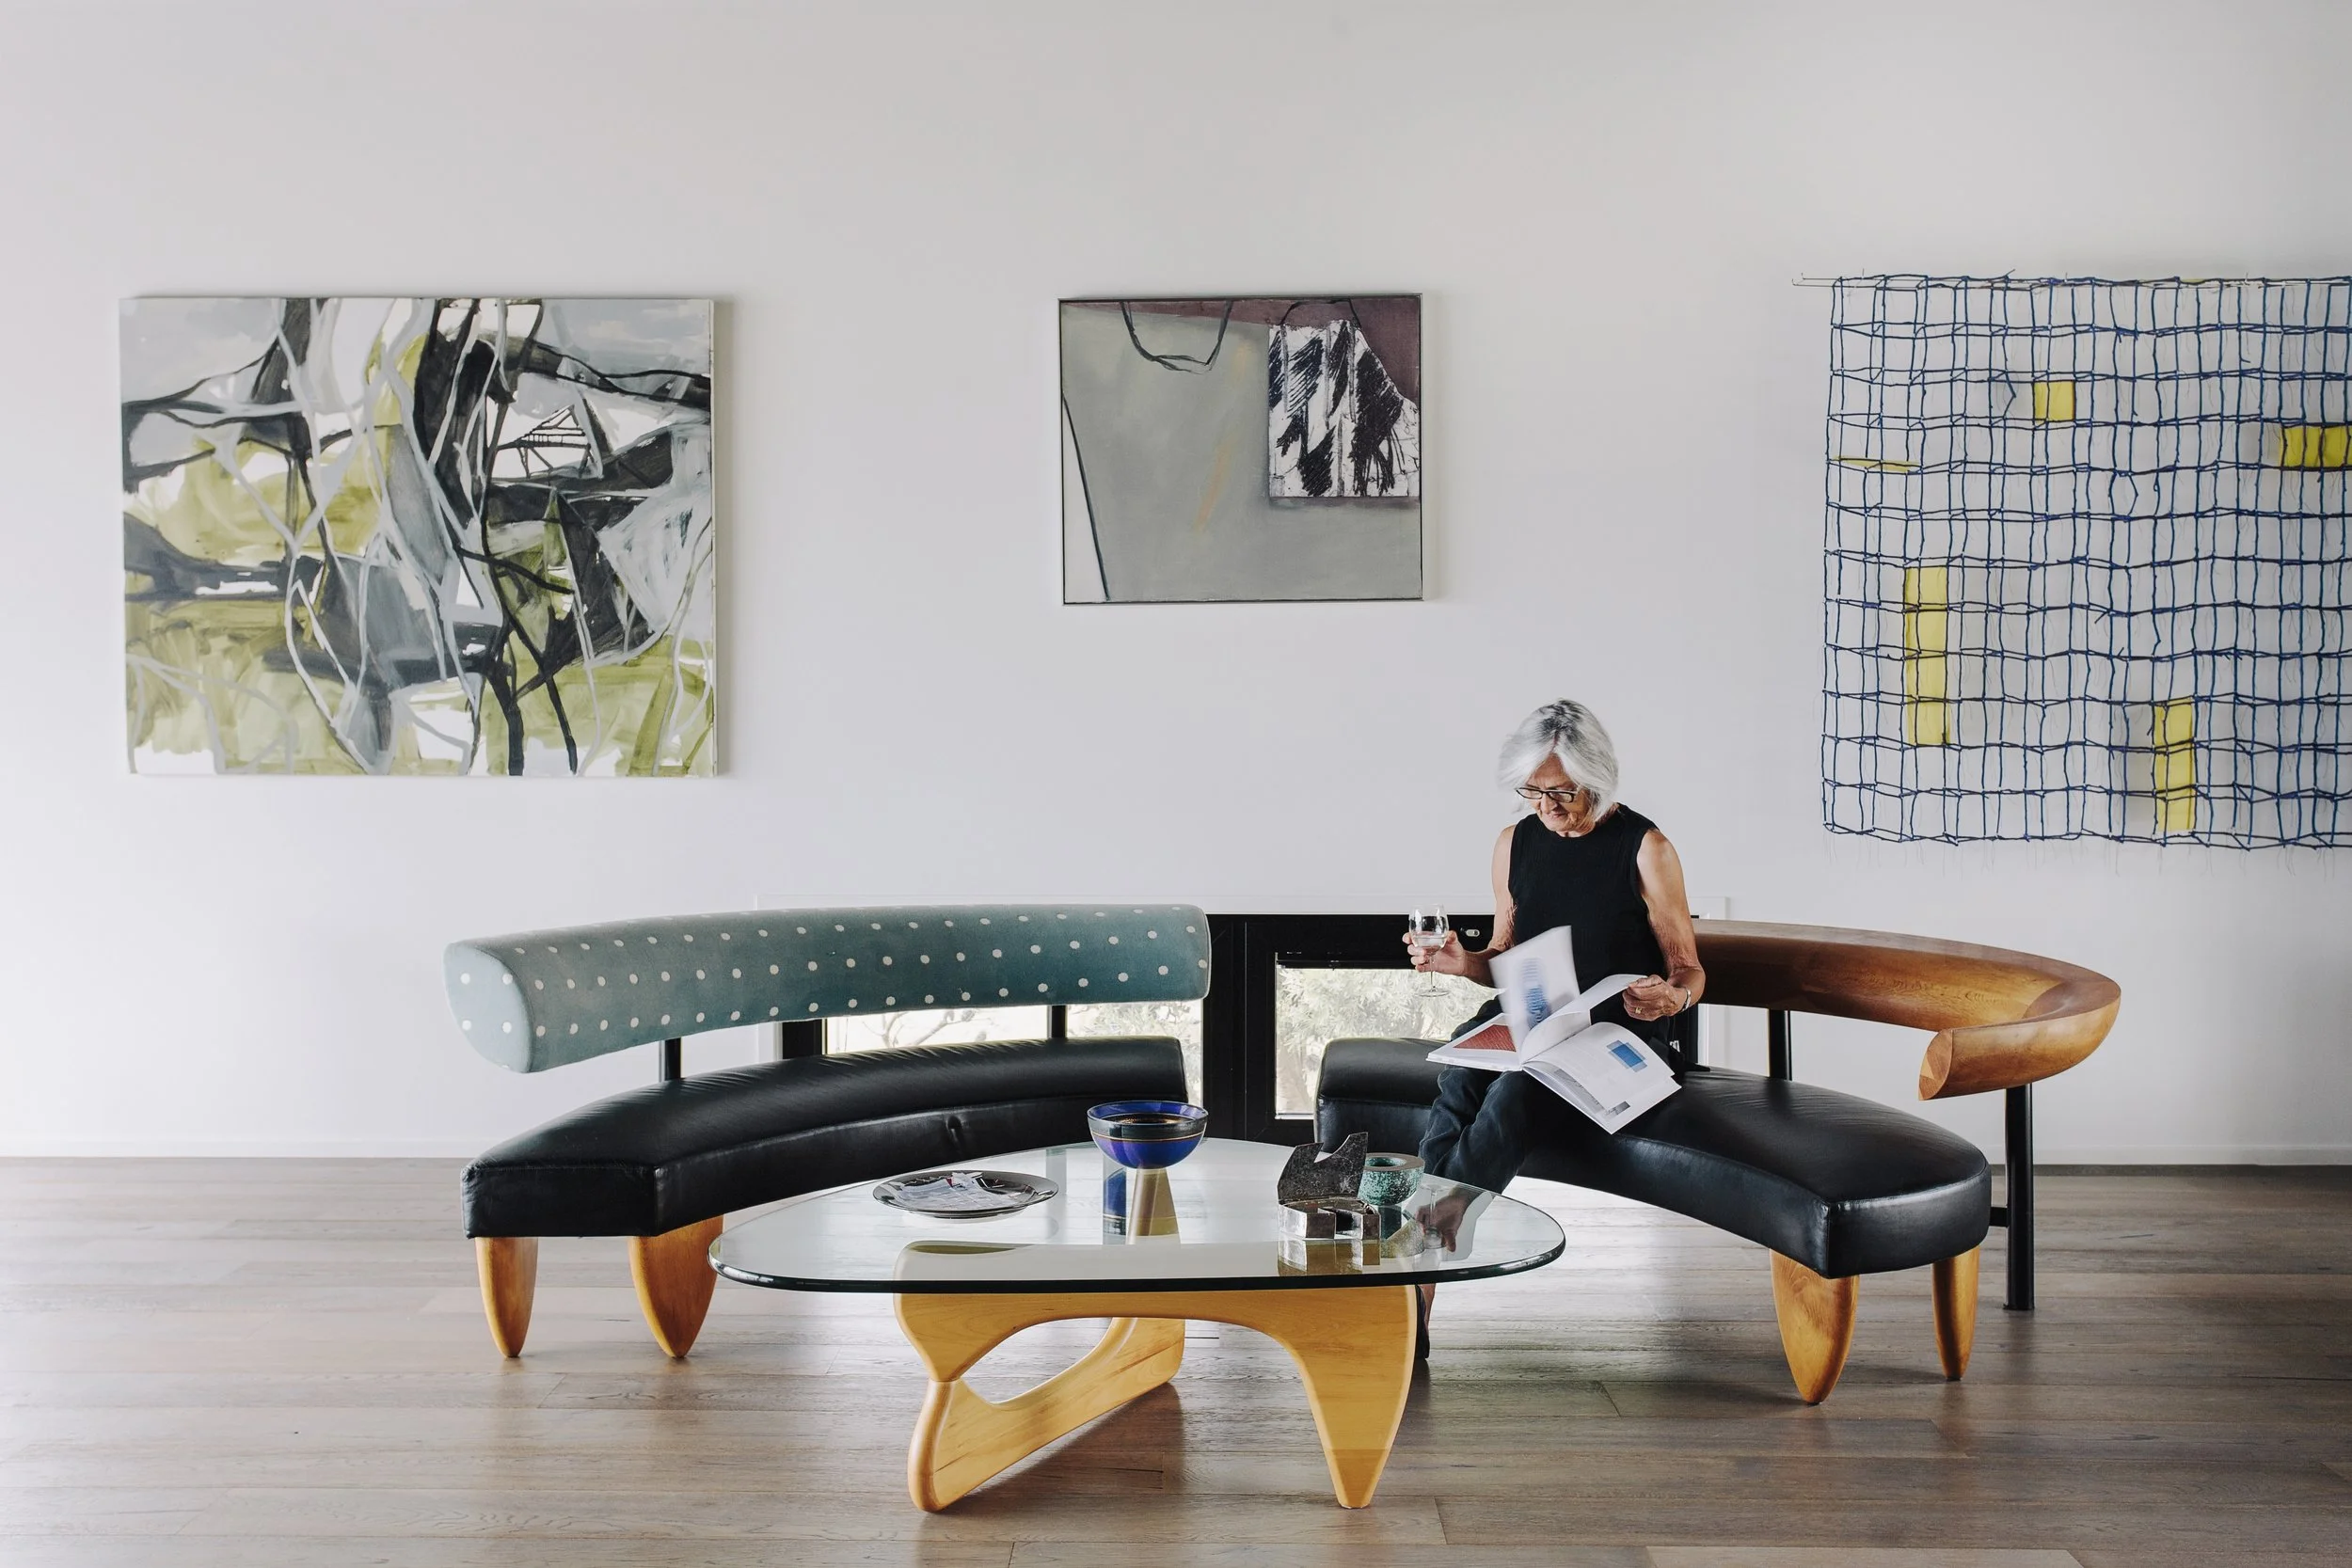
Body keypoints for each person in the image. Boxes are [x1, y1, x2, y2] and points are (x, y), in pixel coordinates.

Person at [1405, 700, 1706, 1352]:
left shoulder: (1646, 847)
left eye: (1562, 792)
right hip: (1538, 1013)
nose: (1546, 806)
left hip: (1620, 1027)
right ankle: (1428, 1252)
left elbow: (1689, 969)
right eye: (1532, 791)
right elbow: (1504, 959)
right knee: (1460, 1076)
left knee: (1518, 1091)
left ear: (1598, 777)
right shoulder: (1514, 842)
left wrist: (1671, 1000)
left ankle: (1423, 1257)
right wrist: (1463, 961)